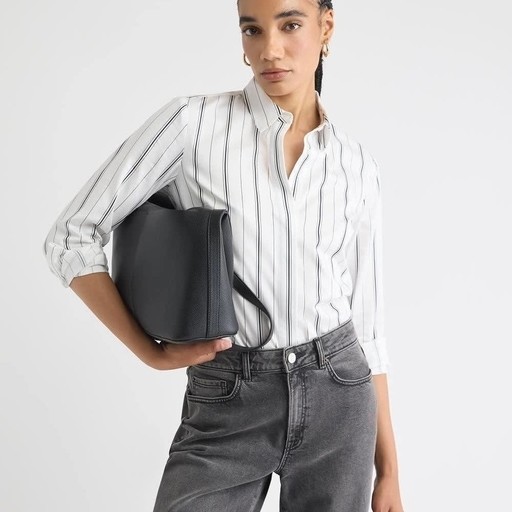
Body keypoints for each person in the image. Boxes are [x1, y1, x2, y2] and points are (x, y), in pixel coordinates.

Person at [43, 0, 405, 510]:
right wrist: (150, 351)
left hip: (339, 392)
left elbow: (367, 332)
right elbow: (71, 236)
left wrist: (389, 472)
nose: (270, 49)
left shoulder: (356, 165)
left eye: (290, 24)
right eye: (252, 30)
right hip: (229, 391)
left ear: (326, 26)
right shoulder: (192, 125)